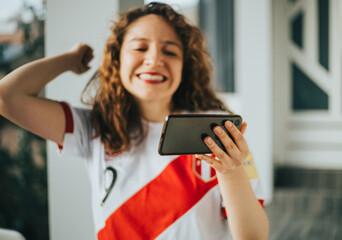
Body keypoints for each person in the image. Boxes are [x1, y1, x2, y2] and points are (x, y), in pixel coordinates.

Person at [0, 2, 269, 239]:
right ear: (116, 60)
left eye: (170, 52)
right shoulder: (93, 127)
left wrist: (232, 171)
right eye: (140, 47)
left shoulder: (219, 130)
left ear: (185, 66)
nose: (153, 59)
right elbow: (6, 97)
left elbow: (253, 237)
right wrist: (69, 61)